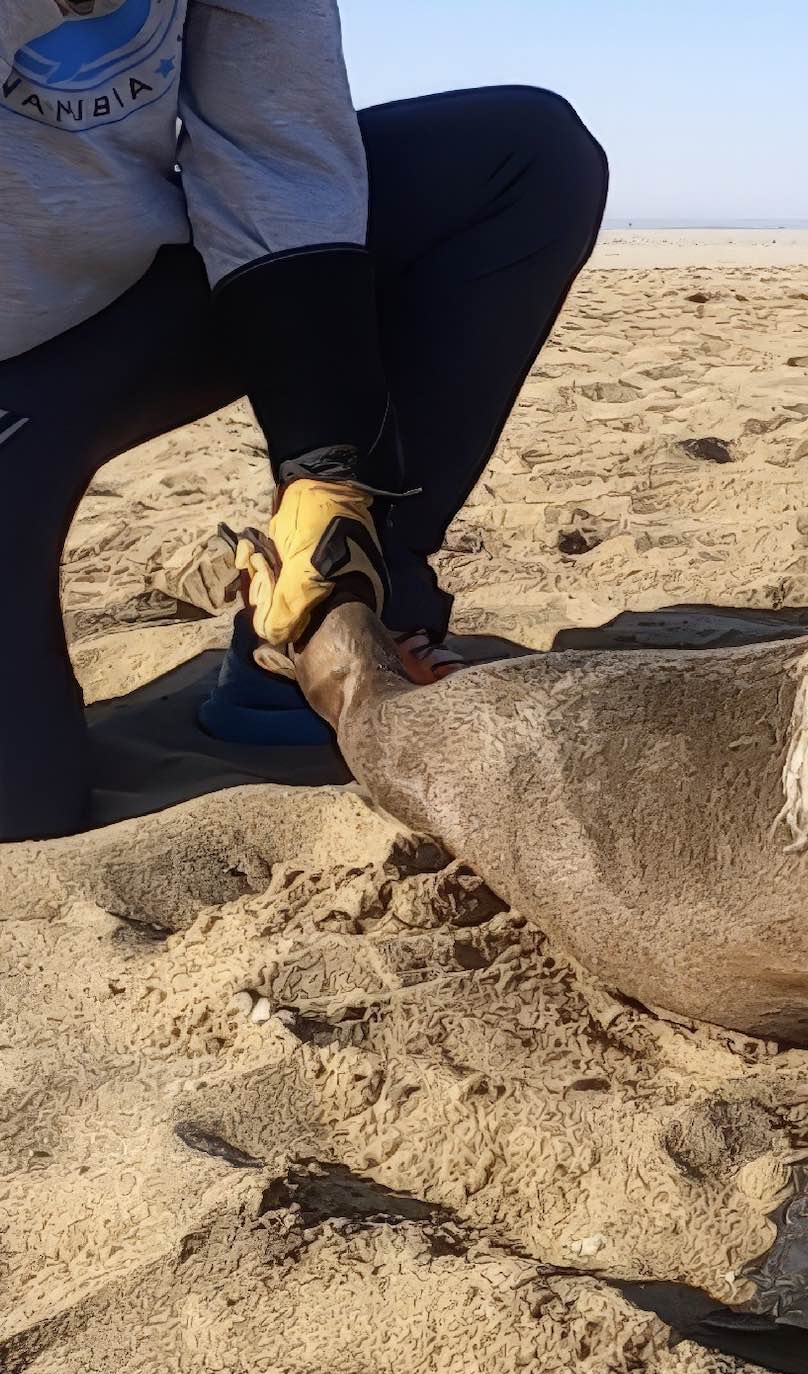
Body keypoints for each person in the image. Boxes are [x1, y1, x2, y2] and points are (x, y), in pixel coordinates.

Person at [0, 0, 609, 842]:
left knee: (523, 156)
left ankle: (315, 635)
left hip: (117, 313)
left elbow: (271, 156)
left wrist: (324, 470)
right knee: (20, 808)